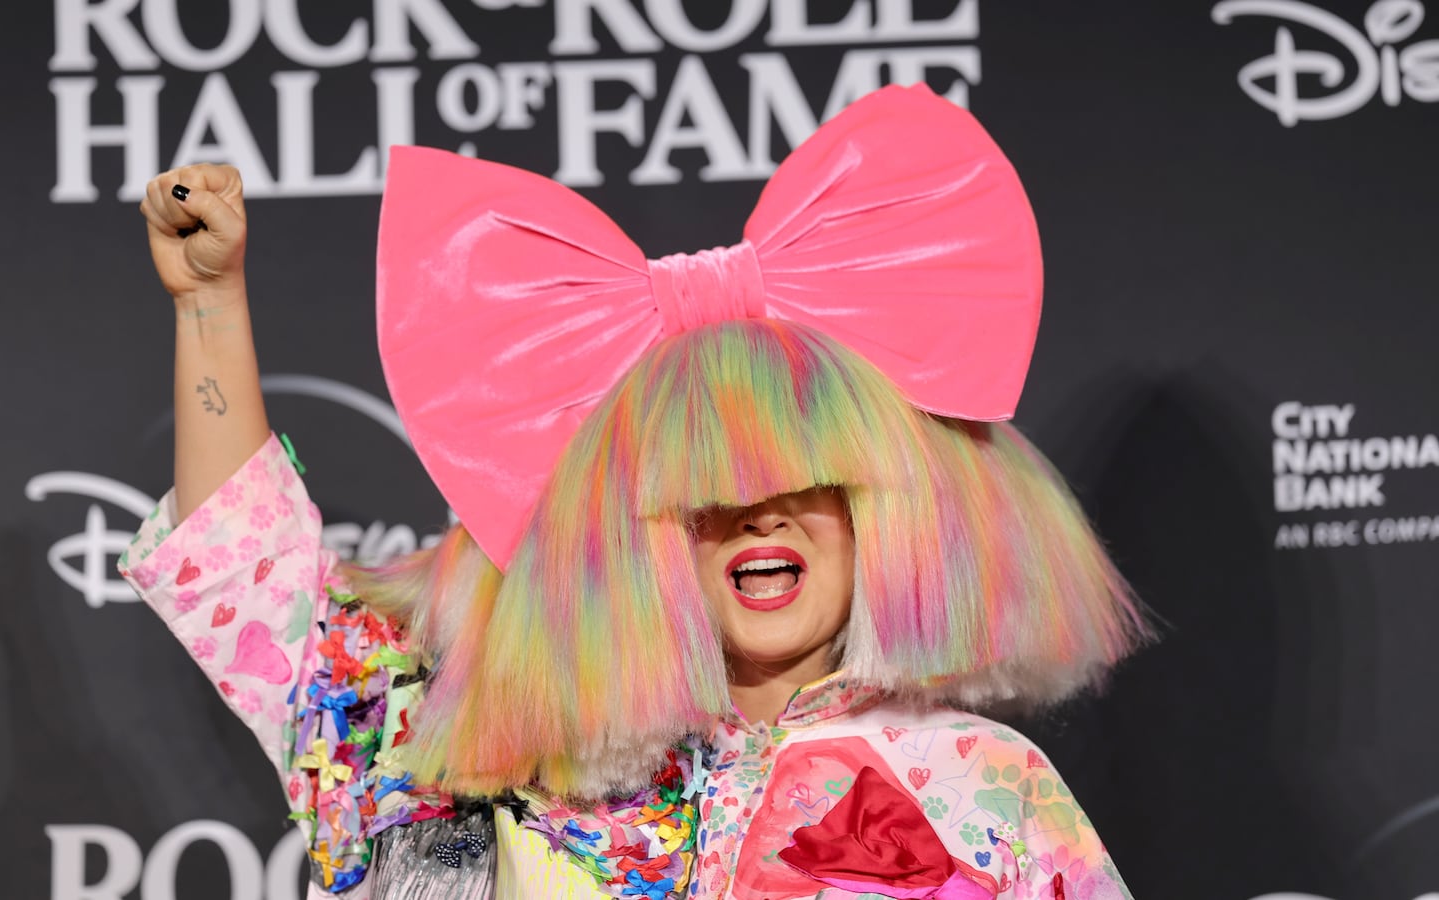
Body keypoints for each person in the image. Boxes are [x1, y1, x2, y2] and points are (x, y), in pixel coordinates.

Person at [122, 84, 1148, 899]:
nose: (758, 515)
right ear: (634, 534)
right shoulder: (484, 745)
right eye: (706, 491)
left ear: (884, 511)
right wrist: (210, 305)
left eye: (807, 481)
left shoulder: (984, 787)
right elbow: (264, 596)